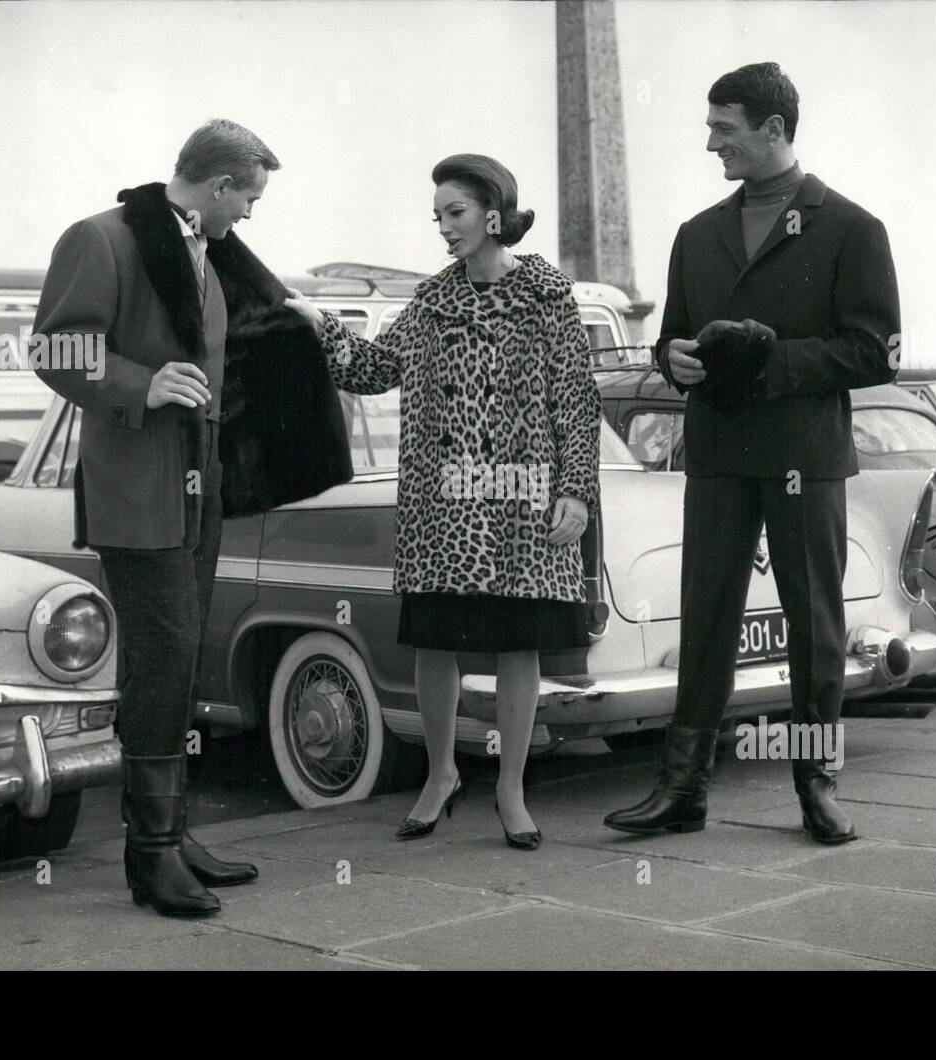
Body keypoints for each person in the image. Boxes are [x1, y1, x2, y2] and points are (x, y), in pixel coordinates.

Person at [33, 119, 353, 915]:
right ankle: (149, 856)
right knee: (166, 651)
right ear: (218, 187)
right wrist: (140, 384)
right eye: (248, 197)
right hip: (135, 490)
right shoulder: (101, 238)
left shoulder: (212, 257)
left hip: (198, 487)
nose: (249, 214)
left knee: (174, 659)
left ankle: (169, 836)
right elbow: (50, 349)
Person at [604, 63, 900, 843]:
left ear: (773, 129)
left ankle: (816, 786)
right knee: (705, 618)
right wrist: (677, 362)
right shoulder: (696, 235)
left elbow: (877, 354)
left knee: (815, 625)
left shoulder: (853, 229)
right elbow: (672, 336)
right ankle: (682, 789)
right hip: (719, 455)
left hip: (806, 454)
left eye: (723, 129)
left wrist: (772, 360)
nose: (711, 144)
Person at [285, 154, 603, 850]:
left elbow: (577, 405)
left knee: (519, 647)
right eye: (438, 217)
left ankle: (512, 791)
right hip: (443, 509)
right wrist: (321, 327)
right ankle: (441, 777)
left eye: (454, 213)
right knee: (435, 641)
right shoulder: (430, 301)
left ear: (494, 213)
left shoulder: (549, 298)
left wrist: (577, 492)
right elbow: (373, 371)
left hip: (523, 503)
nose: (444, 228)